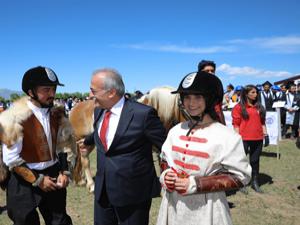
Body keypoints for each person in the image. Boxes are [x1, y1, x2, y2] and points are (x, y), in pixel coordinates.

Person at [156, 71, 251, 225]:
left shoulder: (227, 135)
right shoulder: (175, 130)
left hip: (208, 208)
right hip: (173, 205)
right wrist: (166, 174)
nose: (191, 103)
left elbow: (240, 177)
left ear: (210, 99)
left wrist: (196, 184)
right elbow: (165, 159)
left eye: (198, 97)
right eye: (187, 97)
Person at [78, 68, 167, 225]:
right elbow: (102, 132)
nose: (90, 95)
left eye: (93, 90)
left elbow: (166, 147)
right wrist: (88, 140)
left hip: (133, 195)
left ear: (111, 92)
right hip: (102, 192)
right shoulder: (99, 111)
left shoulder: (143, 115)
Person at [0, 66, 73, 225]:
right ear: (31, 91)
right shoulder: (13, 117)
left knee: (60, 221)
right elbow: (11, 159)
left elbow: (63, 146)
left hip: (53, 173)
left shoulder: (57, 113)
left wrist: (64, 171)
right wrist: (38, 180)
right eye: (46, 89)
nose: (52, 94)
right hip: (23, 180)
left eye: (53, 89)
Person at [232, 84, 268, 193]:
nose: (255, 94)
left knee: (255, 161)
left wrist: (266, 135)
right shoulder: (238, 107)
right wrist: (237, 139)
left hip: (258, 139)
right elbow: (236, 124)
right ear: (246, 94)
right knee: (241, 161)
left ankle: (254, 182)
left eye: (256, 92)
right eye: (252, 92)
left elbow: (262, 123)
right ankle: (241, 182)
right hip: (244, 139)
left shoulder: (260, 107)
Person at [198, 59, 226, 125]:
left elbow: (219, 108)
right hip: (200, 123)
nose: (210, 73)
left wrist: (223, 124)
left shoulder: (218, 86)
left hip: (217, 121)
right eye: (207, 71)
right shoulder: (194, 86)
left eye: (212, 71)